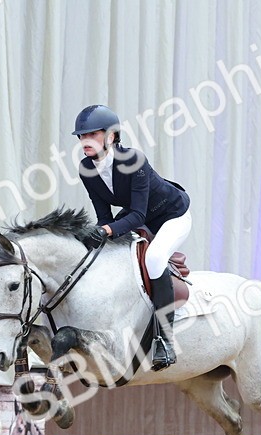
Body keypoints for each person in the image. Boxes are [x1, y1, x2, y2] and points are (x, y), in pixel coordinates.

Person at [73, 104, 190, 371]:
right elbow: (104, 215)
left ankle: (165, 340)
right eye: (81, 136)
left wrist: (108, 230)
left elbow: (136, 215)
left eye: (92, 134)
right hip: (141, 216)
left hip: (172, 215)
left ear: (112, 136)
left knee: (155, 258)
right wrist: (101, 232)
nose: (84, 141)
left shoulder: (133, 160)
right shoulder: (86, 168)